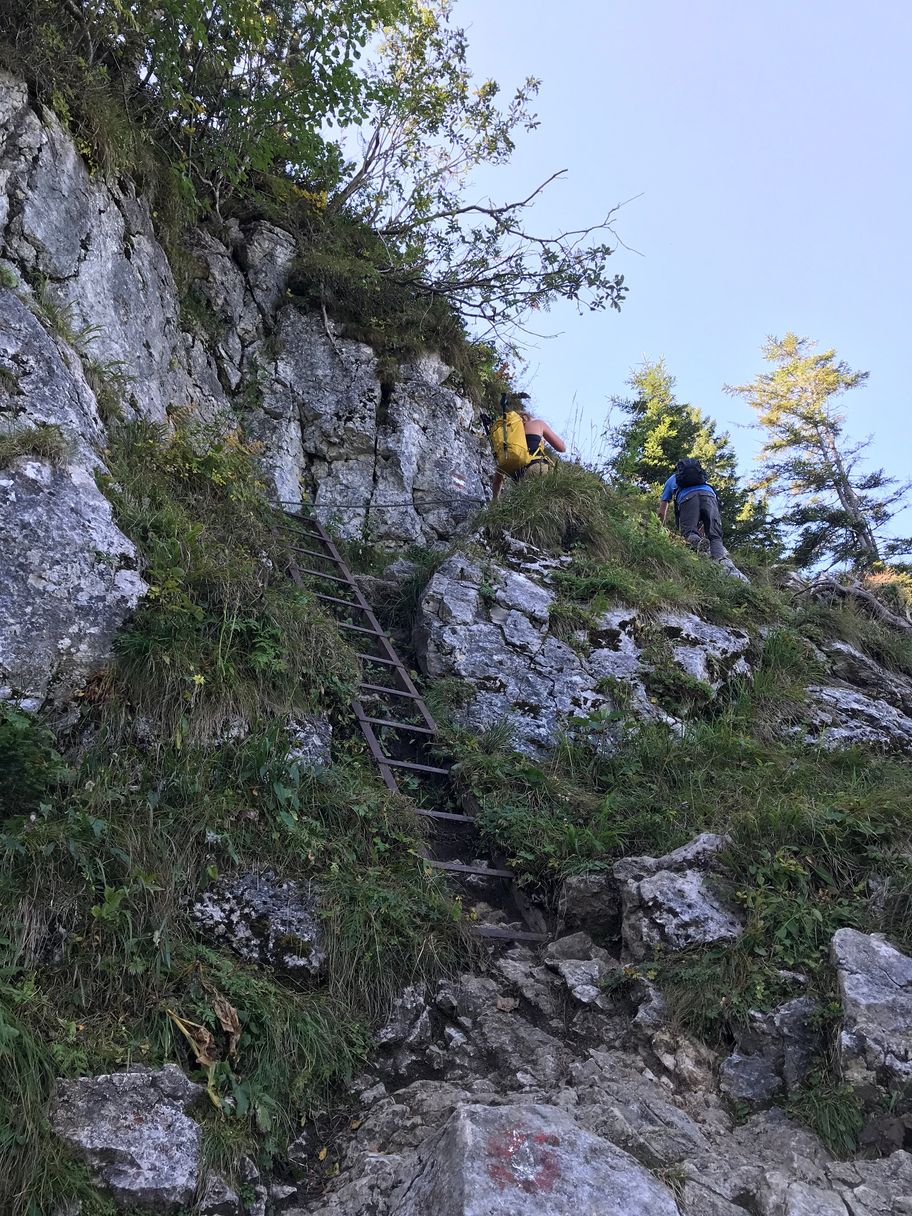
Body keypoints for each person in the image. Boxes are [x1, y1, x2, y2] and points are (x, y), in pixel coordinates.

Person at [490, 407, 566, 499]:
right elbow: (562, 448)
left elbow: (497, 481)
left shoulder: (508, 443)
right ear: (526, 417)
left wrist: (495, 502)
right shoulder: (537, 423)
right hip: (538, 468)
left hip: (520, 478)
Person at [657, 457, 725, 559]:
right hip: (709, 495)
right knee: (715, 535)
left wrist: (658, 527)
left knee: (689, 532)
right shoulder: (701, 478)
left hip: (687, 497)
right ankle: (719, 561)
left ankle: (697, 542)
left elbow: (662, 510)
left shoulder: (671, 479)